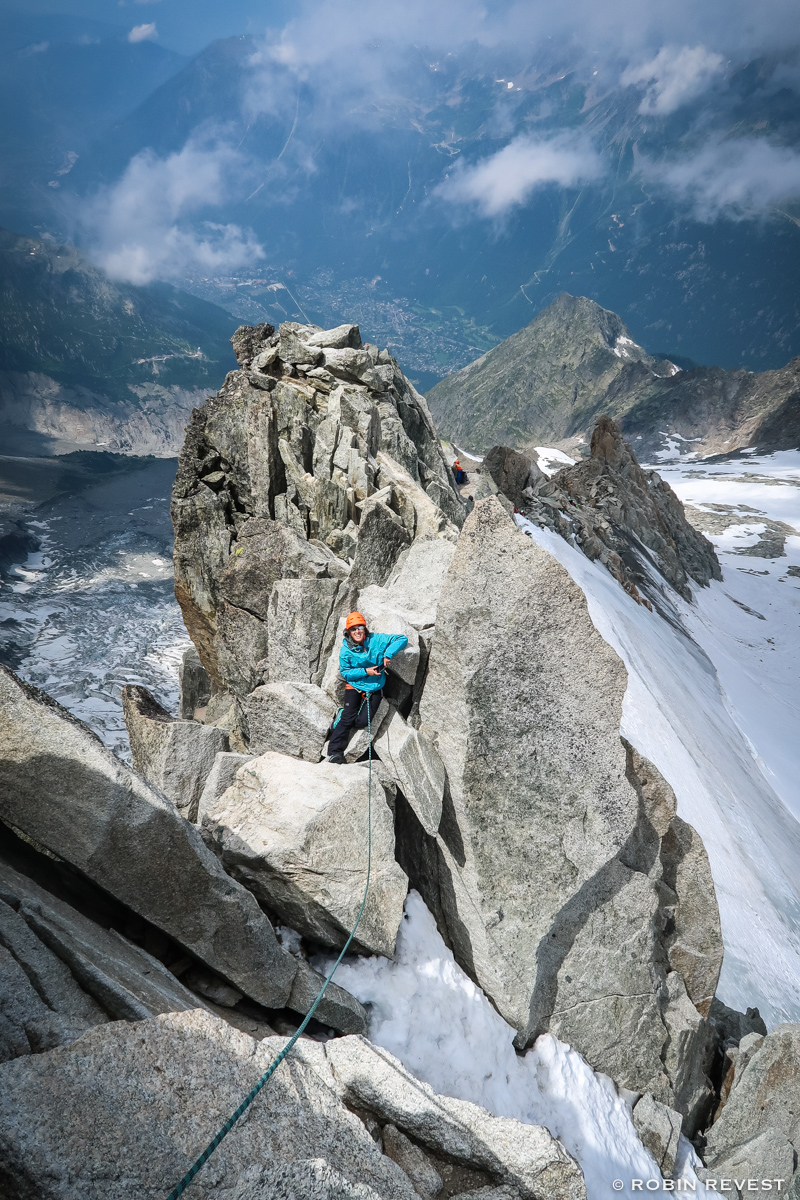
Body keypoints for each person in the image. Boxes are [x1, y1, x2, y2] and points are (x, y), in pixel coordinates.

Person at [326, 611, 408, 764]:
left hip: (374, 686)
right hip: (355, 685)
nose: (357, 631)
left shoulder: (376, 640)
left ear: (365, 629)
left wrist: (388, 654)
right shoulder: (346, 651)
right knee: (347, 719)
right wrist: (365, 671)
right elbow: (346, 673)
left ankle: (342, 714)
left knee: (362, 722)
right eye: (353, 629)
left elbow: (401, 639)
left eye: (360, 627)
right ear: (348, 632)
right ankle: (335, 752)